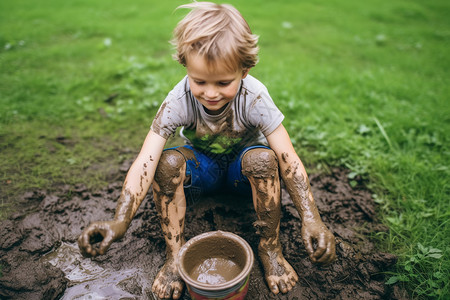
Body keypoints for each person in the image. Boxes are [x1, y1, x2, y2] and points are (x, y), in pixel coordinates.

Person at [77, 2, 336, 299]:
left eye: (224, 83)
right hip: (204, 174)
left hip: (244, 175)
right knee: (166, 163)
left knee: (265, 158)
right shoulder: (179, 99)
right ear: (185, 65)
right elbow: (145, 161)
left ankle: (270, 250)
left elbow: (288, 160)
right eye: (199, 81)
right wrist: (119, 220)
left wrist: (311, 217)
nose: (210, 94)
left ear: (245, 70)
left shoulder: (255, 97)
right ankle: (175, 254)